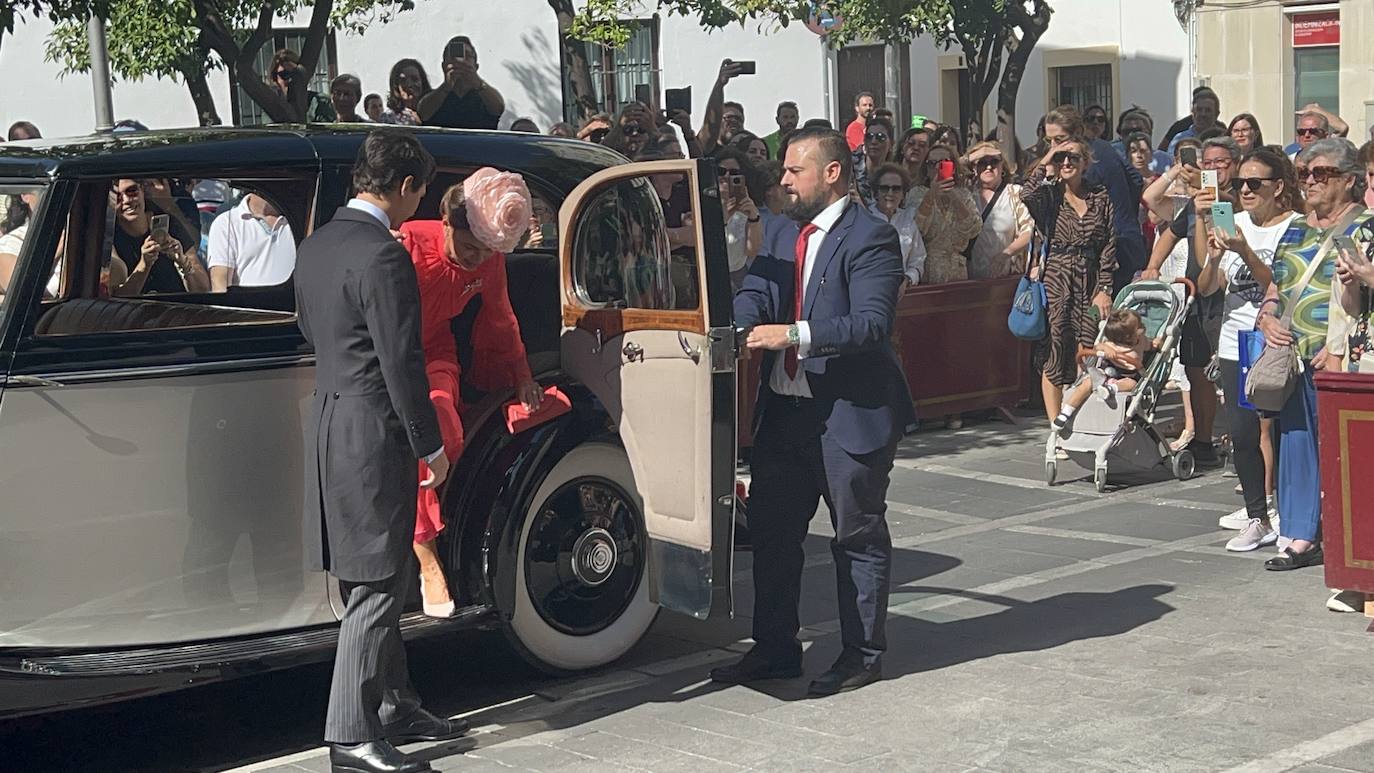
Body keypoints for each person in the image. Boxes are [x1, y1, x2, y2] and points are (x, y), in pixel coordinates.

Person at [711, 126, 913, 696]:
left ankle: (862, 655)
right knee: (774, 536)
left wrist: (793, 334)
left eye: (793, 170)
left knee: (856, 535)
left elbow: (871, 324)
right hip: (785, 415)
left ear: (831, 173)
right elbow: (758, 291)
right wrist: (745, 319)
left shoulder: (871, 237)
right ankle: (774, 647)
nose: (782, 180)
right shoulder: (781, 233)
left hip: (849, 414)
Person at [294, 130, 469, 773]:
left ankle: (394, 704)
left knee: (376, 570)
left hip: (332, 417)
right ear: (402, 187)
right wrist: (430, 445)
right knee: (375, 583)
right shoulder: (383, 256)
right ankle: (350, 736)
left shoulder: (315, 245)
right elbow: (402, 362)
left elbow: (310, 327)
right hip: (376, 426)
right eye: (417, 190)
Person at [398, 171, 543, 618]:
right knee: (424, 443)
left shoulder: (488, 262)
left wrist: (522, 373)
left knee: (447, 433)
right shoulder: (405, 244)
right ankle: (426, 555)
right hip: (395, 359)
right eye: (469, 247)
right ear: (446, 220)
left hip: (438, 354)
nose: (475, 260)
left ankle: (429, 529)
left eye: (486, 252)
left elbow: (501, 318)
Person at [1257, 138, 1373, 571]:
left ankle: (1347, 537)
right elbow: (1277, 282)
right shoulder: (1296, 226)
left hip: (1337, 357)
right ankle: (1301, 535)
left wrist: (1336, 346)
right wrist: (1268, 316)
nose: (1309, 180)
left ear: (1348, 181)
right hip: (1292, 353)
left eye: (1320, 173)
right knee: (1297, 441)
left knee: (1343, 449)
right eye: (1304, 172)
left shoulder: (1366, 226)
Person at [1196, 147, 1298, 551]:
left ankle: (1290, 512)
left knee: (1283, 430)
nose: (1245, 191)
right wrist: (1214, 258)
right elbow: (1207, 288)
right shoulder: (1230, 219)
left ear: (1278, 187)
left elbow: (1280, 283)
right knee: (1243, 434)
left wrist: (1245, 252)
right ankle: (1257, 516)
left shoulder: (1295, 226)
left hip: (1276, 340)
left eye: (1254, 184)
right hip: (1236, 339)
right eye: (1240, 184)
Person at [1022, 137, 1118, 425]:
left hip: (1089, 279)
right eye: (1061, 158)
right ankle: (1056, 427)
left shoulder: (1099, 197)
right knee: (1056, 348)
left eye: (1073, 157)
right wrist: (1047, 156)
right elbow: (1027, 194)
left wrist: (1104, 290)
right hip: (1057, 278)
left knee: (1087, 350)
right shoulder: (1049, 197)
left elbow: (1109, 246)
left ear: (1085, 163)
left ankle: (1079, 418)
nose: (1066, 163)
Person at [1044, 105, 1144, 295]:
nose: (1053, 146)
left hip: (1104, 253)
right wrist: (1126, 212)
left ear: (1075, 133)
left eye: (1059, 139)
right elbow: (1136, 180)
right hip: (1129, 238)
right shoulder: (1106, 147)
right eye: (1049, 140)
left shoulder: (1080, 161)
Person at [1053, 308, 1159, 429]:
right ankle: (1066, 412)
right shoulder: (1110, 344)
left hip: (1127, 375)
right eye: (1139, 326)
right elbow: (1098, 346)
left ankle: (1110, 389)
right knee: (1087, 383)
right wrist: (1106, 349)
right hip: (1106, 372)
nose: (1143, 327)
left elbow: (1150, 346)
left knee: (1132, 384)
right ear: (1129, 336)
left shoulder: (1141, 341)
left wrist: (1157, 343)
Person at [108, 179, 210, 296]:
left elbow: (203, 290)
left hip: (176, 309)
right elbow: (116, 298)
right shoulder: (109, 235)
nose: (126, 200)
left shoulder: (168, 223)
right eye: (117, 197)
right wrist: (145, 264)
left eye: (132, 191)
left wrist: (182, 261)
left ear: (142, 190)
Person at [907, 144, 981, 285]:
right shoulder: (917, 194)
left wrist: (952, 194)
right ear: (926, 169)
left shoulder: (963, 194)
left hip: (957, 271)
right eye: (932, 163)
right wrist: (931, 195)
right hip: (927, 269)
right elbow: (917, 229)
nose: (937, 167)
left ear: (952, 167)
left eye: (943, 163)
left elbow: (974, 228)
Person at [967, 141, 1033, 279]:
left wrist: (1006, 253)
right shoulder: (965, 196)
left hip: (1006, 279)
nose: (989, 167)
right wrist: (969, 158)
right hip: (970, 279)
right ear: (974, 167)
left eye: (994, 161)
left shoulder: (1015, 194)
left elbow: (1029, 231)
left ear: (1002, 166)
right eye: (982, 162)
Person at [206, 193, 297, 291]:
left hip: (291, 303)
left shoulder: (301, 220)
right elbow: (220, 283)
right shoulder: (226, 223)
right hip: (246, 304)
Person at [418, 36, 504, 130]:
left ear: (476, 66)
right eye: (453, 56)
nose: (461, 61)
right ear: (444, 66)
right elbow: (423, 114)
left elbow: (498, 109)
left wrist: (477, 82)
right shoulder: (436, 97)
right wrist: (447, 86)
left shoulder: (485, 97)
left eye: (468, 56)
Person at [713, 147, 765, 289]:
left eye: (734, 173)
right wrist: (724, 217)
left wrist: (753, 217)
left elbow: (752, 251)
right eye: (721, 171)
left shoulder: (747, 207)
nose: (727, 176)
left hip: (737, 276)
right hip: (709, 274)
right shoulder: (701, 202)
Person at [868, 162, 927, 286]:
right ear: (876, 192)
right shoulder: (865, 217)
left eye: (896, 189)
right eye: (884, 188)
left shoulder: (908, 220)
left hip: (901, 293)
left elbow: (917, 260)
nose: (890, 193)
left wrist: (907, 279)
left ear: (903, 194)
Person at [268, 49, 335, 122]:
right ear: (275, 79)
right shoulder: (272, 106)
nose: (290, 79)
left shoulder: (322, 103)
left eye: (295, 73)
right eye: (284, 74)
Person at [1164, 88, 1224, 155]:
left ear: (1217, 114)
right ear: (1192, 112)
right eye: (1199, 109)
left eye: (1208, 110)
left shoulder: (1223, 138)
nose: (1203, 114)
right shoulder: (1180, 139)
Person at [854, 115, 895, 204]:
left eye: (880, 137)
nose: (873, 141)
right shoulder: (850, 167)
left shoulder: (895, 175)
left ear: (891, 144)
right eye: (869, 136)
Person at [380, 58, 431, 126]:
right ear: (395, 86)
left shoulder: (434, 111)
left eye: (414, 79)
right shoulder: (388, 117)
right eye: (403, 80)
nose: (409, 84)